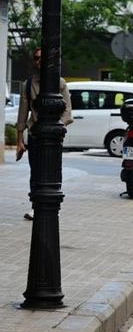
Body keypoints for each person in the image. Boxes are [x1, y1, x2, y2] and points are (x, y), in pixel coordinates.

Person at [16, 47, 73, 220]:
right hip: (35, 134)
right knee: (36, 172)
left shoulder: (60, 83)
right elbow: (22, 113)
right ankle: (35, 205)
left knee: (54, 171)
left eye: (42, 58)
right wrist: (20, 140)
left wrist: (56, 128)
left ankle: (53, 205)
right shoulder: (28, 85)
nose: (39, 61)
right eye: (36, 58)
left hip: (53, 137)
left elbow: (67, 112)